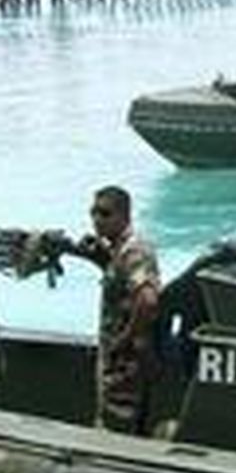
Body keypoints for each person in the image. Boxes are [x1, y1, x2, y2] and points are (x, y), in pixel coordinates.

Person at [66, 186, 161, 434]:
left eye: (105, 214)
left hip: (126, 361)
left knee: (117, 424)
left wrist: (124, 339)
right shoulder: (119, 250)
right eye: (94, 213)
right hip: (118, 356)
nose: (97, 220)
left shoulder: (134, 251)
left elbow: (148, 301)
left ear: (124, 216)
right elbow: (124, 285)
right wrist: (101, 259)